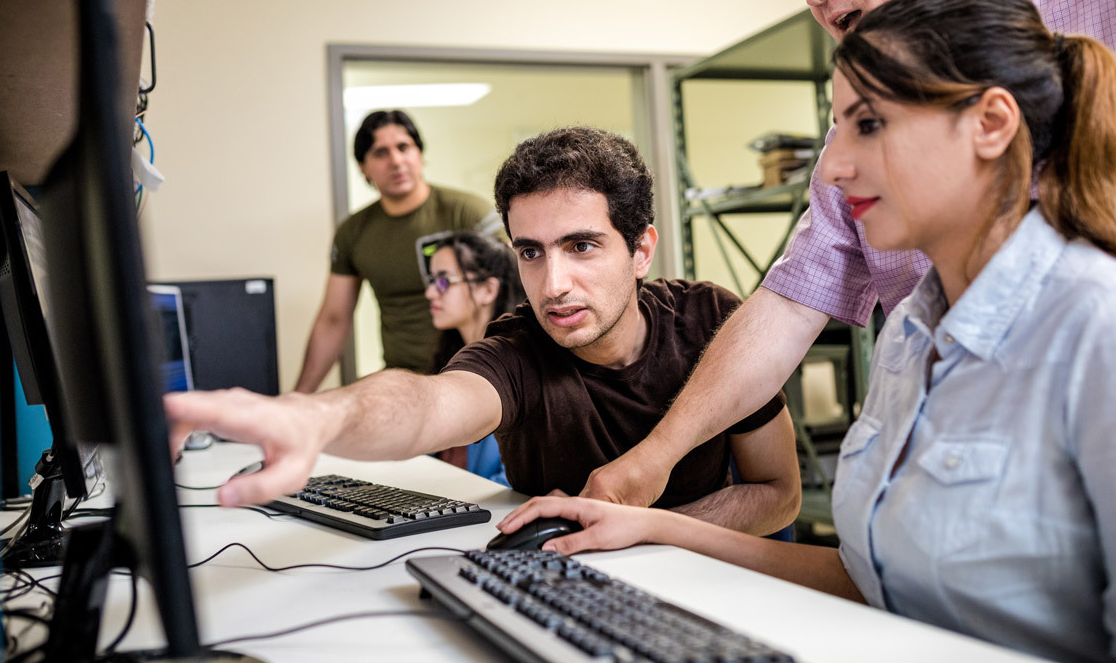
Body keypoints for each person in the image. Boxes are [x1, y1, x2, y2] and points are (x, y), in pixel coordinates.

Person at [499, 0, 1116, 663]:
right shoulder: (911, 330)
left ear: (990, 123)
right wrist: (647, 528)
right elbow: (872, 583)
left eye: (868, 124)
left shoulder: (1094, 326)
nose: (831, 166)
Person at [580, 0, 1116, 508]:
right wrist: (655, 459)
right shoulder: (854, 155)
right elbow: (790, 304)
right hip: (951, 473)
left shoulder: (1102, 12)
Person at [168, 127, 802, 536]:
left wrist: (651, 528)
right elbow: (425, 406)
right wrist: (317, 417)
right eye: (530, 252)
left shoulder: (712, 320)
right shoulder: (518, 350)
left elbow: (779, 494)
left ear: (641, 251)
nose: (552, 283)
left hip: (719, 584)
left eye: (581, 246)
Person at [294, 109, 499, 393]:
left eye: (404, 147)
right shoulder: (353, 233)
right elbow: (333, 319)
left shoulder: (467, 213)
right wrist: (299, 397)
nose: (396, 160)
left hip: (473, 373)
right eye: (380, 153)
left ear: (419, 154)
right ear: (363, 168)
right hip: (403, 381)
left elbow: (514, 292)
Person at [424, 232, 524, 485]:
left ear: (488, 290)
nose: (430, 293)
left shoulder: (521, 372)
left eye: (444, 281)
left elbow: (515, 487)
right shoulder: (448, 363)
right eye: (431, 280)